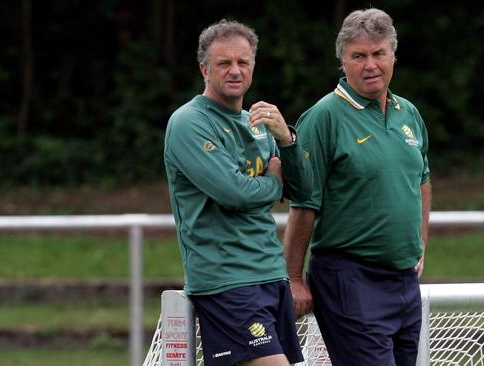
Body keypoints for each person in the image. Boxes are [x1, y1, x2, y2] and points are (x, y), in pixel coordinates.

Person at [284, 8, 432, 366]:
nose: (371, 65)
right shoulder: (324, 117)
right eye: (359, 56)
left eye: (379, 53)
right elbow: (304, 201)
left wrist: (420, 246)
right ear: (343, 61)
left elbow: (422, 180)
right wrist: (293, 277)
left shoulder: (408, 113)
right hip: (349, 277)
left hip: (403, 280)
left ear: (393, 56)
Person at [163, 19, 311, 366]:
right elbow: (235, 192)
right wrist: (274, 182)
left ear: (253, 66)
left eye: (242, 62)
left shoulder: (258, 124)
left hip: (269, 273)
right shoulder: (189, 122)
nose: (234, 71)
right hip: (227, 281)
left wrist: (287, 141)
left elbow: (304, 191)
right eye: (224, 63)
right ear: (204, 69)